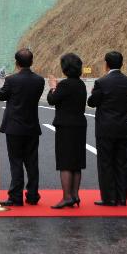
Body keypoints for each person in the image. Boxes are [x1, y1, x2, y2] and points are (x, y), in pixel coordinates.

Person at [0, 48, 46, 206]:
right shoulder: (39, 80)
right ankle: (32, 195)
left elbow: (1, 94)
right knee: (32, 162)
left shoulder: (11, 80)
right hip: (31, 126)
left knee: (16, 161)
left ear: (16, 63)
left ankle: (15, 196)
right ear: (31, 62)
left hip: (14, 127)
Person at [87, 51, 127, 206]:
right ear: (122, 64)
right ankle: (122, 197)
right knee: (121, 162)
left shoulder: (102, 82)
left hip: (105, 127)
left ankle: (109, 197)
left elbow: (92, 102)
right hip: (123, 126)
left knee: (106, 162)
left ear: (106, 64)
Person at [45, 52, 87, 209]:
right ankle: (75, 195)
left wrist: (53, 87)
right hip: (79, 125)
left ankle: (66, 196)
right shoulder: (81, 84)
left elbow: (52, 100)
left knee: (65, 163)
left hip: (65, 126)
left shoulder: (64, 85)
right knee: (76, 162)